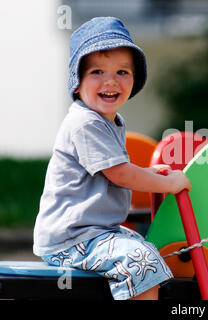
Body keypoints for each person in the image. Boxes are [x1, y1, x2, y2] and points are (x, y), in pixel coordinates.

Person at [33, 17, 191, 300]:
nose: (110, 81)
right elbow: (119, 174)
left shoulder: (109, 121)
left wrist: (150, 171)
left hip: (93, 232)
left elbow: (114, 169)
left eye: (122, 71)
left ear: (134, 79)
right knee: (141, 261)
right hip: (72, 239)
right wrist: (168, 184)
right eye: (96, 71)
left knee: (149, 248)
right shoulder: (86, 123)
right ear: (77, 84)